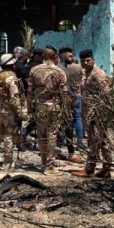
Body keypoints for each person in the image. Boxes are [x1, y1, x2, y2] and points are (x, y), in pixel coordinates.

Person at [27, 46, 67, 175]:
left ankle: (44, 162)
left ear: (43, 57)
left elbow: (29, 91)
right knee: (52, 135)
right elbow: (64, 93)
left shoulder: (34, 70)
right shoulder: (60, 72)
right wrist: (65, 110)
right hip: (54, 106)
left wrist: (29, 107)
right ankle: (49, 165)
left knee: (41, 135)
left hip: (39, 106)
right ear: (55, 57)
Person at [72, 49, 112, 179]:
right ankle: (107, 168)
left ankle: (89, 168)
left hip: (96, 112)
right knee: (102, 141)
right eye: (83, 61)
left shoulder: (97, 73)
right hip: (89, 111)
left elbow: (106, 93)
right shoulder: (86, 72)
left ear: (93, 60)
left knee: (95, 140)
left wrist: (100, 111)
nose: (85, 63)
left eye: (87, 60)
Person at [0, 53, 22, 170]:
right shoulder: (11, 78)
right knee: (8, 136)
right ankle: (7, 162)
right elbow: (14, 98)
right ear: (11, 64)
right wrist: (19, 113)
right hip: (9, 112)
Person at [59, 47, 85, 163]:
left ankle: (65, 141)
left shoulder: (60, 68)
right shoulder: (78, 67)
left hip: (66, 97)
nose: (72, 57)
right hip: (75, 95)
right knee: (77, 118)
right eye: (70, 56)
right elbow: (81, 81)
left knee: (67, 121)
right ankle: (80, 141)